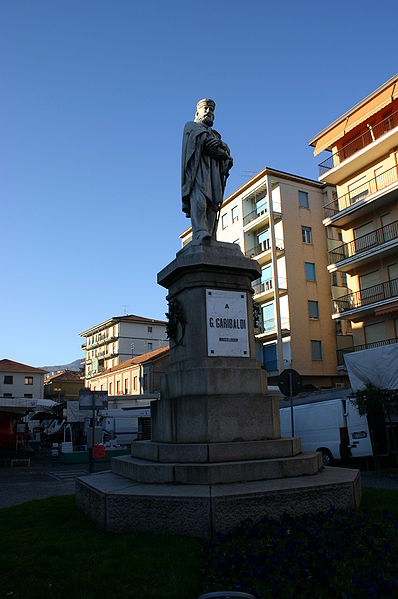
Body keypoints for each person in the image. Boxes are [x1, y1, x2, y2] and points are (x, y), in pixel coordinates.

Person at [181, 98, 233, 242]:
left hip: (214, 173)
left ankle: (211, 234)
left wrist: (225, 158)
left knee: (213, 204)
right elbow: (204, 143)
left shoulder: (215, 135)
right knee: (200, 199)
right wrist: (221, 146)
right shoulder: (191, 126)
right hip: (198, 169)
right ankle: (199, 231)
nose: (209, 112)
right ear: (197, 112)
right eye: (206, 109)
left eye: (212, 110)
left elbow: (219, 149)